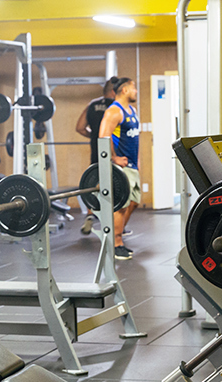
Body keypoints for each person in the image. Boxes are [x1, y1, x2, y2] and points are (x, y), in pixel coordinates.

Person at [98, 77, 140, 260]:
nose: (136, 91)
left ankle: (117, 236)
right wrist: (113, 159)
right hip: (121, 167)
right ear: (124, 90)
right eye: (133, 88)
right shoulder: (114, 111)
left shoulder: (132, 110)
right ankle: (116, 244)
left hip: (132, 165)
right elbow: (103, 137)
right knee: (121, 206)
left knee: (134, 202)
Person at [76, 79, 117, 234]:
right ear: (114, 91)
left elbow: (79, 127)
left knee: (94, 183)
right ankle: (116, 224)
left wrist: (94, 136)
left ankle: (90, 214)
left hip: (96, 151)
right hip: (114, 152)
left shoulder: (92, 105)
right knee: (115, 185)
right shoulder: (116, 107)